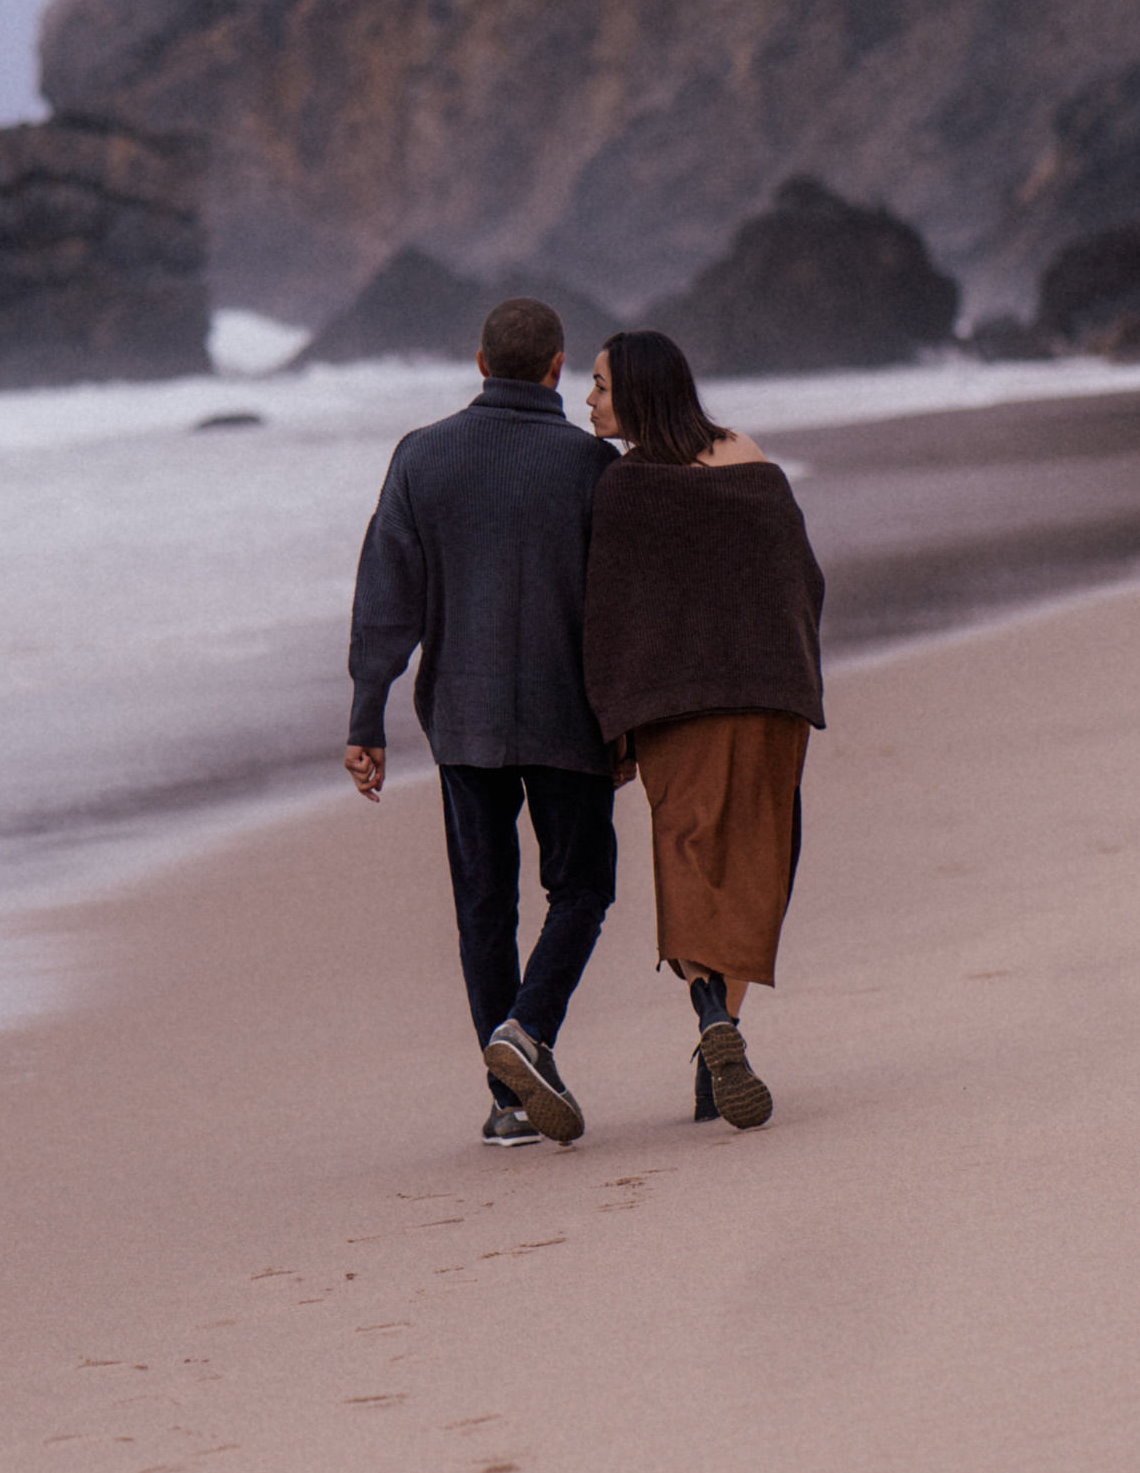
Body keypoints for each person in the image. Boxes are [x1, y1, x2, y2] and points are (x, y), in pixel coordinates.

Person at [345, 295, 620, 1148]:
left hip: (462, 717)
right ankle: (526, 1033)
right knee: (582, 887)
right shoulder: (591, 467)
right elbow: (618, 610)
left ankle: (507, 1101)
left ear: (478, 362)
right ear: (556, 370)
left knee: (483, 903)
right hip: (568, 716)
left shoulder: (422, 457)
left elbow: (385, 600)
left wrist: (368, 714)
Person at [583, 327, 825, 1130]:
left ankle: (709, 1016)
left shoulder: (626, 485)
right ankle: (723, 1037)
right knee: (756, 862)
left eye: (601, 386)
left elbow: (607, 613)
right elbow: (804, 580)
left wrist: (610, 722)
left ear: (640, 394)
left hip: (677, 703)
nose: (588, 400)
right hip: (771, 694)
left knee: (687, 860)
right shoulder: (753, 461)